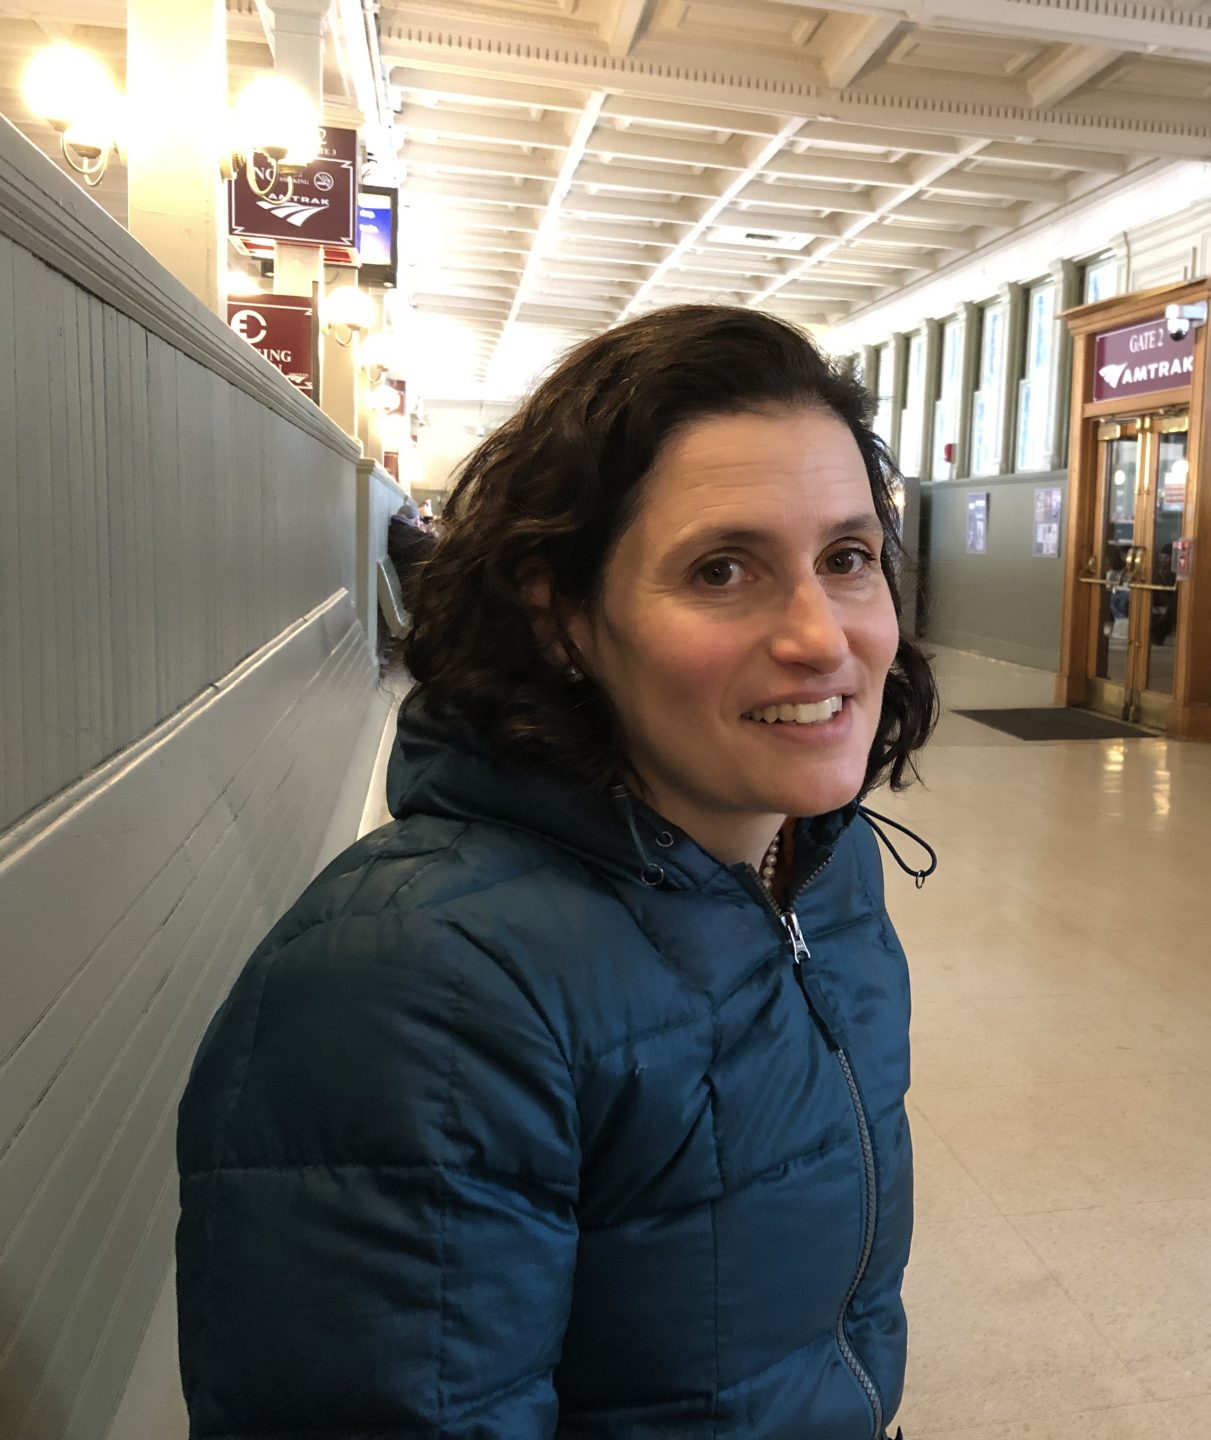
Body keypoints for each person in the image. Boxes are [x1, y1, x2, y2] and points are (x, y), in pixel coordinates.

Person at [174, 306, 939, 1439]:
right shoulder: (421, 989)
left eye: (847, 558)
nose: (822, 636)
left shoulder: (819, 869)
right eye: (724, 569)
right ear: (561, 617)